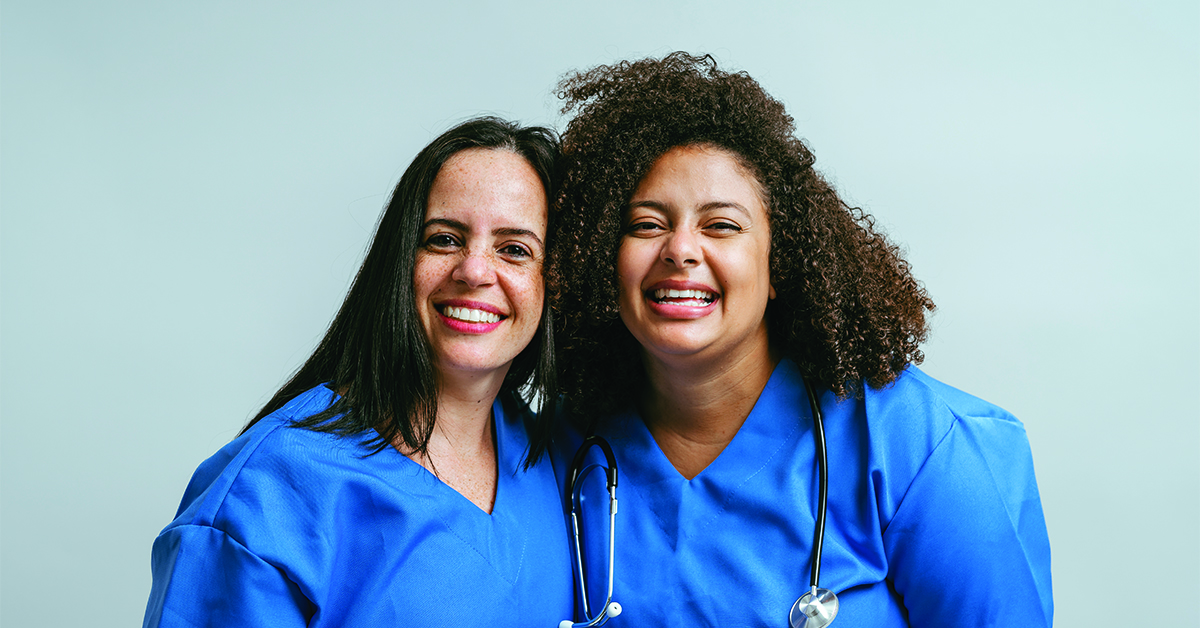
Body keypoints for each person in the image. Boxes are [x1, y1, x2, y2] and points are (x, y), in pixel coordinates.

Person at [549, 53, 1052, 627]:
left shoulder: (921, 446)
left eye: (722, 225)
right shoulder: (564, 448)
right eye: (646, 224)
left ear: (780, 260)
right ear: (597, 259)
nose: (680, 250)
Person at [143, 117, 573, 626]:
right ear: (399, 260)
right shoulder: (268, 494)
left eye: (515, 250)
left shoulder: (558, 460)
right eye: (444, 239)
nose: (474, 270)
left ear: (556, 282)